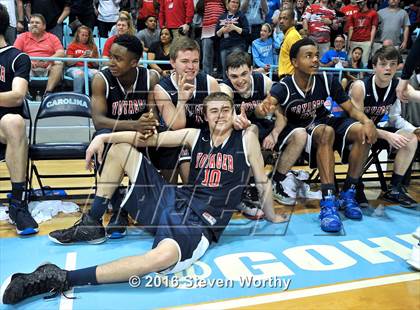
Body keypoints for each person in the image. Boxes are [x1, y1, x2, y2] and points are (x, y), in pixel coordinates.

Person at [0, 92, 288, 305]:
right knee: (119, 150)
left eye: (226, 110)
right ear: (206, 115)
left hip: (199, 223)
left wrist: (272, 215)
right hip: (171, 200)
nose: (221, 116)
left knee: (159, 259)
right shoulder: (193, 135)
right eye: (214, 111)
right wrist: (103, 138)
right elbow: (149, 140)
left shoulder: (245, 137)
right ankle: (92, 222)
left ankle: (61, 277)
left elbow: (261, 179)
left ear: (234, 111)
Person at [257, 38, 377, 233]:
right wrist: (262, 110)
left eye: (316, 56)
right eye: (308, 56)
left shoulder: (327, 81)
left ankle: (348, 193)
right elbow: (266, 105)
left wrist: (367, 121)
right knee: (325, 132)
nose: (315, 60)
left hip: (325, 124)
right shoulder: (284, 86)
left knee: (364, 132)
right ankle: (328, 202)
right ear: (295, 62)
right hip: (302, 133)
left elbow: (351, 109)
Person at [91, 34, 160, 239]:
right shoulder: (100, 79)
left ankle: (124, 208)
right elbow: (99, 120)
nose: (111, 62)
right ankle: (115, 205)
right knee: (104, 140)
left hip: (139, 136)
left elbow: (152, 114)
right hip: (110, 134)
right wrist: (134, 125)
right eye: (110, 56)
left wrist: (149, 122)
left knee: (153, 140)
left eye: (118, 59)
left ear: (134, 62)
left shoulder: (150, 78)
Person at [350, 46, 418, 207]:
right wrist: (387, 135)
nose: (388, 68)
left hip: (375, 131)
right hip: (351, 132)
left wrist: (413, 129)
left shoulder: (396, 86)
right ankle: (355, 186)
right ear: (374, 66)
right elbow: (359, 122)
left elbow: (394, 118)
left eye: (393, 64)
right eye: (383, 64)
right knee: (365, 135)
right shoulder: (360, 86)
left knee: (411, 139)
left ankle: (394, 189)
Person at [153, 37, 220, 183]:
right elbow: (177, 126)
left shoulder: (210, 83)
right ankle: (177, 194)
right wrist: (182, 100)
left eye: (195, 61)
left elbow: (218, 122)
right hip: (176, 141)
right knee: (182, 149)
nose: (191, 66)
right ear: (172, 62)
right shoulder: (162, 89)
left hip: (205, 138)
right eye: (185, 61)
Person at [0, 4, 38, 235]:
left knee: (14, 121)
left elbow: (17, 96)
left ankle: (17, 203)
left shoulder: (17, 57)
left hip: (3, 123)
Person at [13, 14, 65, 98]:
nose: (34, 24)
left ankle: (47, 93)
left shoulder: (52, 37)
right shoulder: (22, 37)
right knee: (20, 65)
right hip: (29, 68)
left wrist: (50, 60)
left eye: (37, 22)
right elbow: (15, 53)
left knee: (59, 64)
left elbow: (61, 52)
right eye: (32, 22)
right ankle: (25, 94)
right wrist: (27, 61)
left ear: (44, 26)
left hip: (48, 68)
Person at [216, 0, 250, 79]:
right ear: (228, 3)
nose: (235, 4)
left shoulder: (241, 15)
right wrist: (222, 30)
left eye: (237, 2)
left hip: (237, 45)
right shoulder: (221, 17)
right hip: (224, 46)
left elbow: (246, 31)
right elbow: (216, 34)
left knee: (236, 69)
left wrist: (234, 28)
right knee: (225, 70)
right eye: (233, 2)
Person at [65, 25, 99, 94]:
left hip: (88, 68)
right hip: (74, 68)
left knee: (97, 74)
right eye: (82, 35)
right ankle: (78, 95)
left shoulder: (93, 46)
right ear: (78, 35)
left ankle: (96, 96)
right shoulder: (72, 45)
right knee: (80, 73)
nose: (84, 37)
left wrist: (91, 59)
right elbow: (68, 63)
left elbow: (97, 64)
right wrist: (80, 58)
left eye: (86, 35)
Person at [347, 0, 378, 66]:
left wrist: (371, 43)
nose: (359, 4)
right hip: (354, 40)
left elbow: (373, 28)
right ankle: (349, 76)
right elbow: (351, 29)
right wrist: (348, 43)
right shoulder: (353, 15)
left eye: (360, 2)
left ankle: (361, 76)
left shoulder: (373, 13)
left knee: (364, 62)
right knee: (350, 62)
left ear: (365, 1)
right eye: (358, 3)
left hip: (366, 41)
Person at [277, 9, 302, 78]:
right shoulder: (288, 35)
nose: (281, 21)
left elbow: (299, 59)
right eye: (280, 18)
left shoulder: (293, 36)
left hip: (291, 78)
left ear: (293, 21)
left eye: (285, 18)